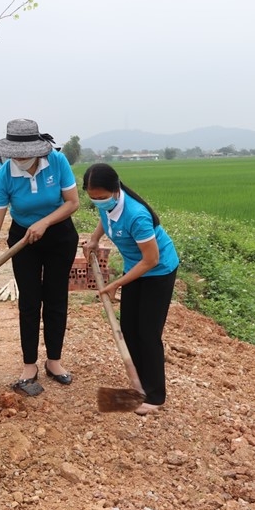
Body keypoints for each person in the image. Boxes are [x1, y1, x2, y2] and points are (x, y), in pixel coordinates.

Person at [0, 119, 80, 396]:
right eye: (14, 154)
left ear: (38, 149)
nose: (19, 158)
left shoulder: (57, 162)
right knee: (30, 301)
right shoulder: (5, 174)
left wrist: (45, 223)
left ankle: (54, 360)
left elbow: (72, 202)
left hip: (59, 234)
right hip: (23, 240)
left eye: (24, 153)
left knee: (56, 298)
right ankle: (29, 364)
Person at [82, 163, 179, 415]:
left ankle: (156, 396)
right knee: (128, 328)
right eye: (93, 199)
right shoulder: (109, 205)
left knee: (148, 333)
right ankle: (139, 386)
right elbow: (105, 220)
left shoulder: (137, 215)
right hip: (135, 268)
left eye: (101, 198)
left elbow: (151, 260)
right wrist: (94, 238)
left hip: (158, 272)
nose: (98, 202)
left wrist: (115, 284)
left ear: (116, 190)